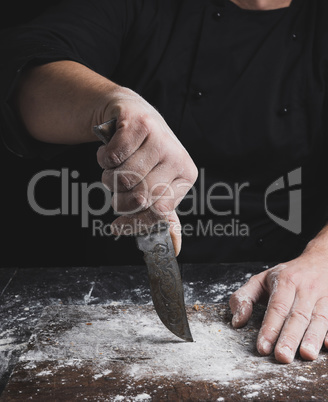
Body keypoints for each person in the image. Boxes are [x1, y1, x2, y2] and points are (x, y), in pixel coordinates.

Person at [1, 0, 328, 364]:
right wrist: (108, 105)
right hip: (111, 285)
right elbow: (20, 69)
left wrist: (324, 256)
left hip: (281, 288)